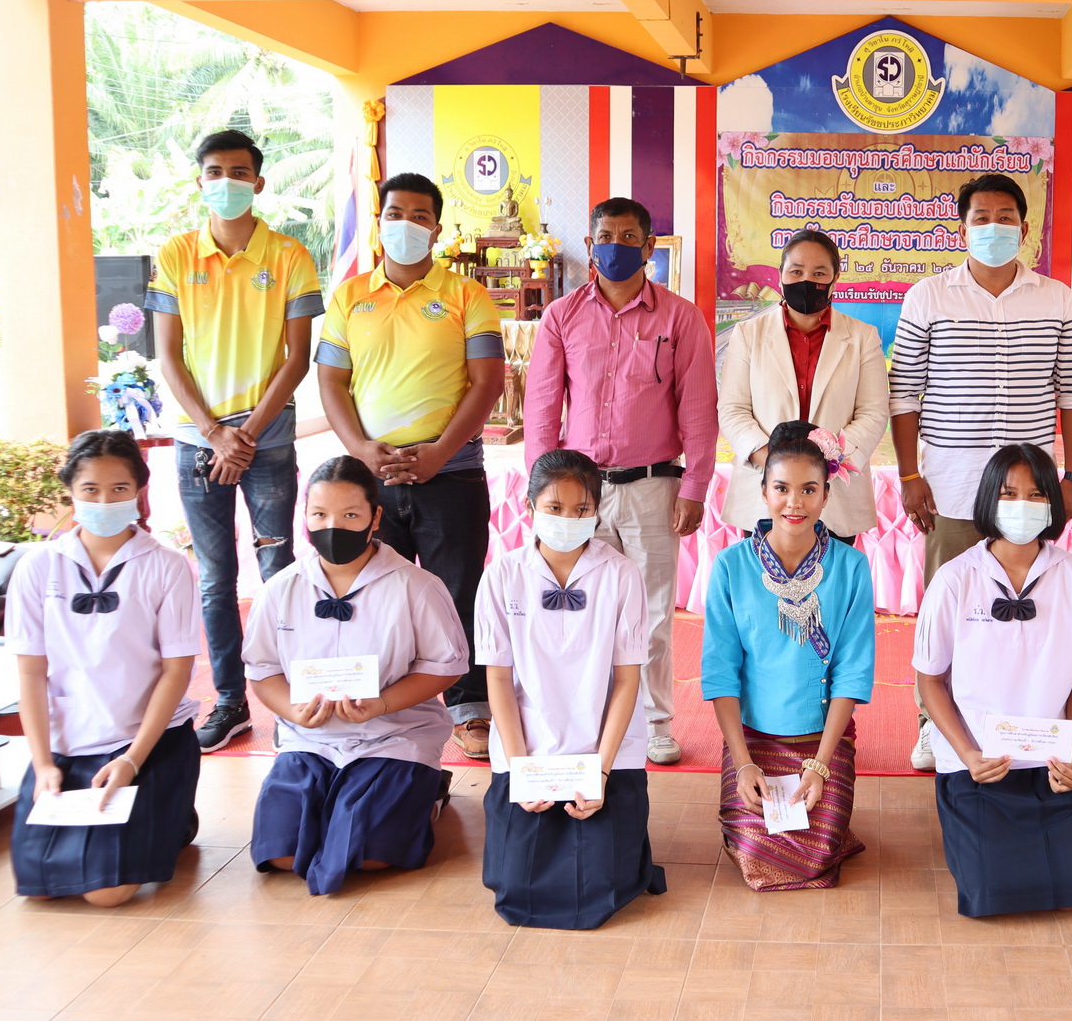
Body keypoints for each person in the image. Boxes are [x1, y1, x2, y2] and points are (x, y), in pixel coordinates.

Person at [890, 173, 1072, 769]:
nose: (993, 227)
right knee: (947, 609)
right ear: (962, 228)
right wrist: (909, 476)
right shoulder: (928, 297)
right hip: (953, 487)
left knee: (1029, 616)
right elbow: (904, 394)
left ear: (1024, 229)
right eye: (981, 218)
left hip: (1032, 492)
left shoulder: (1057, 299)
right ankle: (933, 726)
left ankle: (1026, 724)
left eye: (1006, 217)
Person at [522, 197, 719, 767]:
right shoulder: (561, 316)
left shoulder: (681, 318)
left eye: (630, 237)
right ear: (590, 245)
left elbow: (698, 410)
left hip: (653, 489)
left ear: (649, 247)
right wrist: (542, 492)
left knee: (652, 614)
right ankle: (586, 719)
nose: (616, 246)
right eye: (605, 236)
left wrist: (694, 487)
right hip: (577, 495)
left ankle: (654, 722)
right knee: (579, 608)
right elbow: (541, 408)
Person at [317, 173, 504, 762]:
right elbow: (331, 381)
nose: (406, 225)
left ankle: (470, 706)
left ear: (437, 228)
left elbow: (487, 381)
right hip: (370, 477)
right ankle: (376, 701)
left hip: (451, 472)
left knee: (458, 591)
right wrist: (360, 449)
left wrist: (440, 451)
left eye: (419, 216)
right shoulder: (350, 297)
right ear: (380, 223)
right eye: (395, 213)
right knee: (371, 592)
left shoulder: (467, 295)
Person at [146, 128, 322, 752]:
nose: (227, 182)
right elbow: (168, 357)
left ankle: (292, 705)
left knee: (277, 571)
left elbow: (296, 359)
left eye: (239, 172)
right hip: (199, 440)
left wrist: (241, 435)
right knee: (216, 580)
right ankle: (230, 701)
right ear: (200, 182)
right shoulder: (176, 254)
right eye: (215, 172)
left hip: (265, 441)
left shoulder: (290, 256)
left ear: (259, 182)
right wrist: (214, 433)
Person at [244, 456, 467, 895]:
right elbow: (263, 669)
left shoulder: (415, 585)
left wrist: (383, 704)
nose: (333, 527)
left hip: (394, 734)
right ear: (305, 516)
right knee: (281, 854)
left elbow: (445, 665)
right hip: (310, 737)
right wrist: (292, 710)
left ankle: (428, 794)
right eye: (319, 514)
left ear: (375, 517)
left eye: (350, 515)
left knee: (369, 856)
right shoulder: (279, 589)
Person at [913, 443, 1072, 918]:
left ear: (1052, 503)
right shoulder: (955, 579)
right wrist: (968, 755)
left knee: (1070, 889)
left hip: (1052, 763)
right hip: (980, 764)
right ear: (988, 499)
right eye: (1009, 493)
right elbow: (930, 681)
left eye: (1036, 494)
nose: (1023, 505)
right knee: (991, 893)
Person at [7, 430, 202, 906]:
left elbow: (176, 671)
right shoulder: (37, 567)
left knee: (107, 893)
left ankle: (172, 810)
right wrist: (43, 763)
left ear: (139, 490)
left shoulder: (167, 566)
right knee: (39, 887)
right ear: (70, 491)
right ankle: (166, 815)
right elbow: (30, 672)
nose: (104, 501)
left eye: (119, 489)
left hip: (144, 740)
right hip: (70, 743)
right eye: (90, 489)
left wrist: (132, 758)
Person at [475, 449, 667, 928]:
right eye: (554, 507)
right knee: (516, 885)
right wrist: (520, 769)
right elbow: (497, 677)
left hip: (604, 749)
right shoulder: (502, 575)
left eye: (581, 509)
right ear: (529, 506)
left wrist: (600, 771)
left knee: (604, 885)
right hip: (529, 747)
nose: (567, 519)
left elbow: (627, 679)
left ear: (597, 510)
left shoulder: (620, 573)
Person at [700, 422, 876, 890]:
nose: (794, 502)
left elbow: (852, 672)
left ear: (826, 496)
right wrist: (742, 764)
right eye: (781, 488)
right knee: (757, 853)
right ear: (763, 491)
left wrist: (820, 763)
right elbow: (720, 672)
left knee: (815, 853)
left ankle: (833, 811)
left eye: (808, 490)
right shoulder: (731, 566)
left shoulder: (852, 567)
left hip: (822, 740)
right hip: (753, 740)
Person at [718, 228, 890, 544]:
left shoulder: (862, 337)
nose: (807, 280)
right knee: (761, 577)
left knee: (832, 577)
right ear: (781, 276)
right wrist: (774, 462)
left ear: (835, 279)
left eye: (819, 273)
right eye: (796, 271)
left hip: (835, 497)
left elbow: (873, 413)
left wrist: (825, 464)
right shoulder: (748, 334)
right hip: (764, 494)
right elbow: (733, 409)